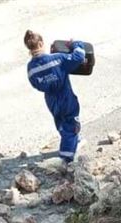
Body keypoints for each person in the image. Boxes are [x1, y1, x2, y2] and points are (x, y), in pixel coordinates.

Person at [24, 30, 85, 163]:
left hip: (51, 100)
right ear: (41, 43)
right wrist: (76, 44)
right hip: (66, 97)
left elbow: (36, 85)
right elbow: (79, 56)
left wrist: (49, 83)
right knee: (71, 123)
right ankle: (66, 159)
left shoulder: (31, 68)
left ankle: (73, 139)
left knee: (61, 122)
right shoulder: (58, 59)